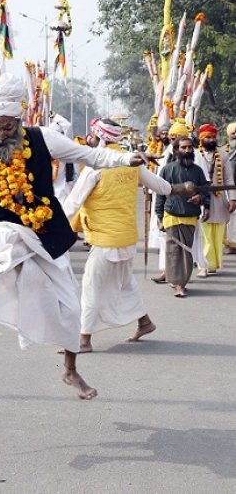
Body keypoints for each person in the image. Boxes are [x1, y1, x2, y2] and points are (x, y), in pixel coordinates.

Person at [0, 73, 151, 399]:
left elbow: (88, 156)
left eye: (7, 128)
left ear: (19, 122)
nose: (1, 135)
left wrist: (124, 158)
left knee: (69, 303)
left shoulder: (42, 139)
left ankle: (70, 369)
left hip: (42, 233)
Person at [62, 119, 189, 352]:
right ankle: (145, 322)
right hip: (128, 238)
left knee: (92, 286)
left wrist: (47, 225)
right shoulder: (133, 162)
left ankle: (83, 340)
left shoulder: (95, 166)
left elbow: (72, 204)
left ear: (99, 137)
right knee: (125, 282)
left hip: (106, 240)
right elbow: (161, 186)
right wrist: (181, 188)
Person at [154, 136, 210, 298]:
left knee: (186, 252)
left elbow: (206, 191)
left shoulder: (198, 171)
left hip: (190, 216)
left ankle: (180, 283)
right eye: (183, 148)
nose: (187, 151)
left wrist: (202, 200)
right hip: (171, 214)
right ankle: (177, 284)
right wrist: (159, 216)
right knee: (173, 251)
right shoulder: (167, 169)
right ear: (176, 150)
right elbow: (160, 195)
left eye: (189, 148)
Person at [194, 124, 236, 276]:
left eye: (213, 137)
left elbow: (229, 179)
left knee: (217, 233)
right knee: (203, 232)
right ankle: (203, 265)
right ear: (201, 139)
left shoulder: (222, 154)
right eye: (208, 137)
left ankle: (212, 263)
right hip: (200, 199)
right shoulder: (195, 154)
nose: (211, 140)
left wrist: (233, 199)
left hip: (218, 200)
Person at [227, 122, 236, 254]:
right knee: (231, 216)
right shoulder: (225, 150)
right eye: (233, 133)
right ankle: (231, 243)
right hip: (229, 187)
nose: (235, 135)